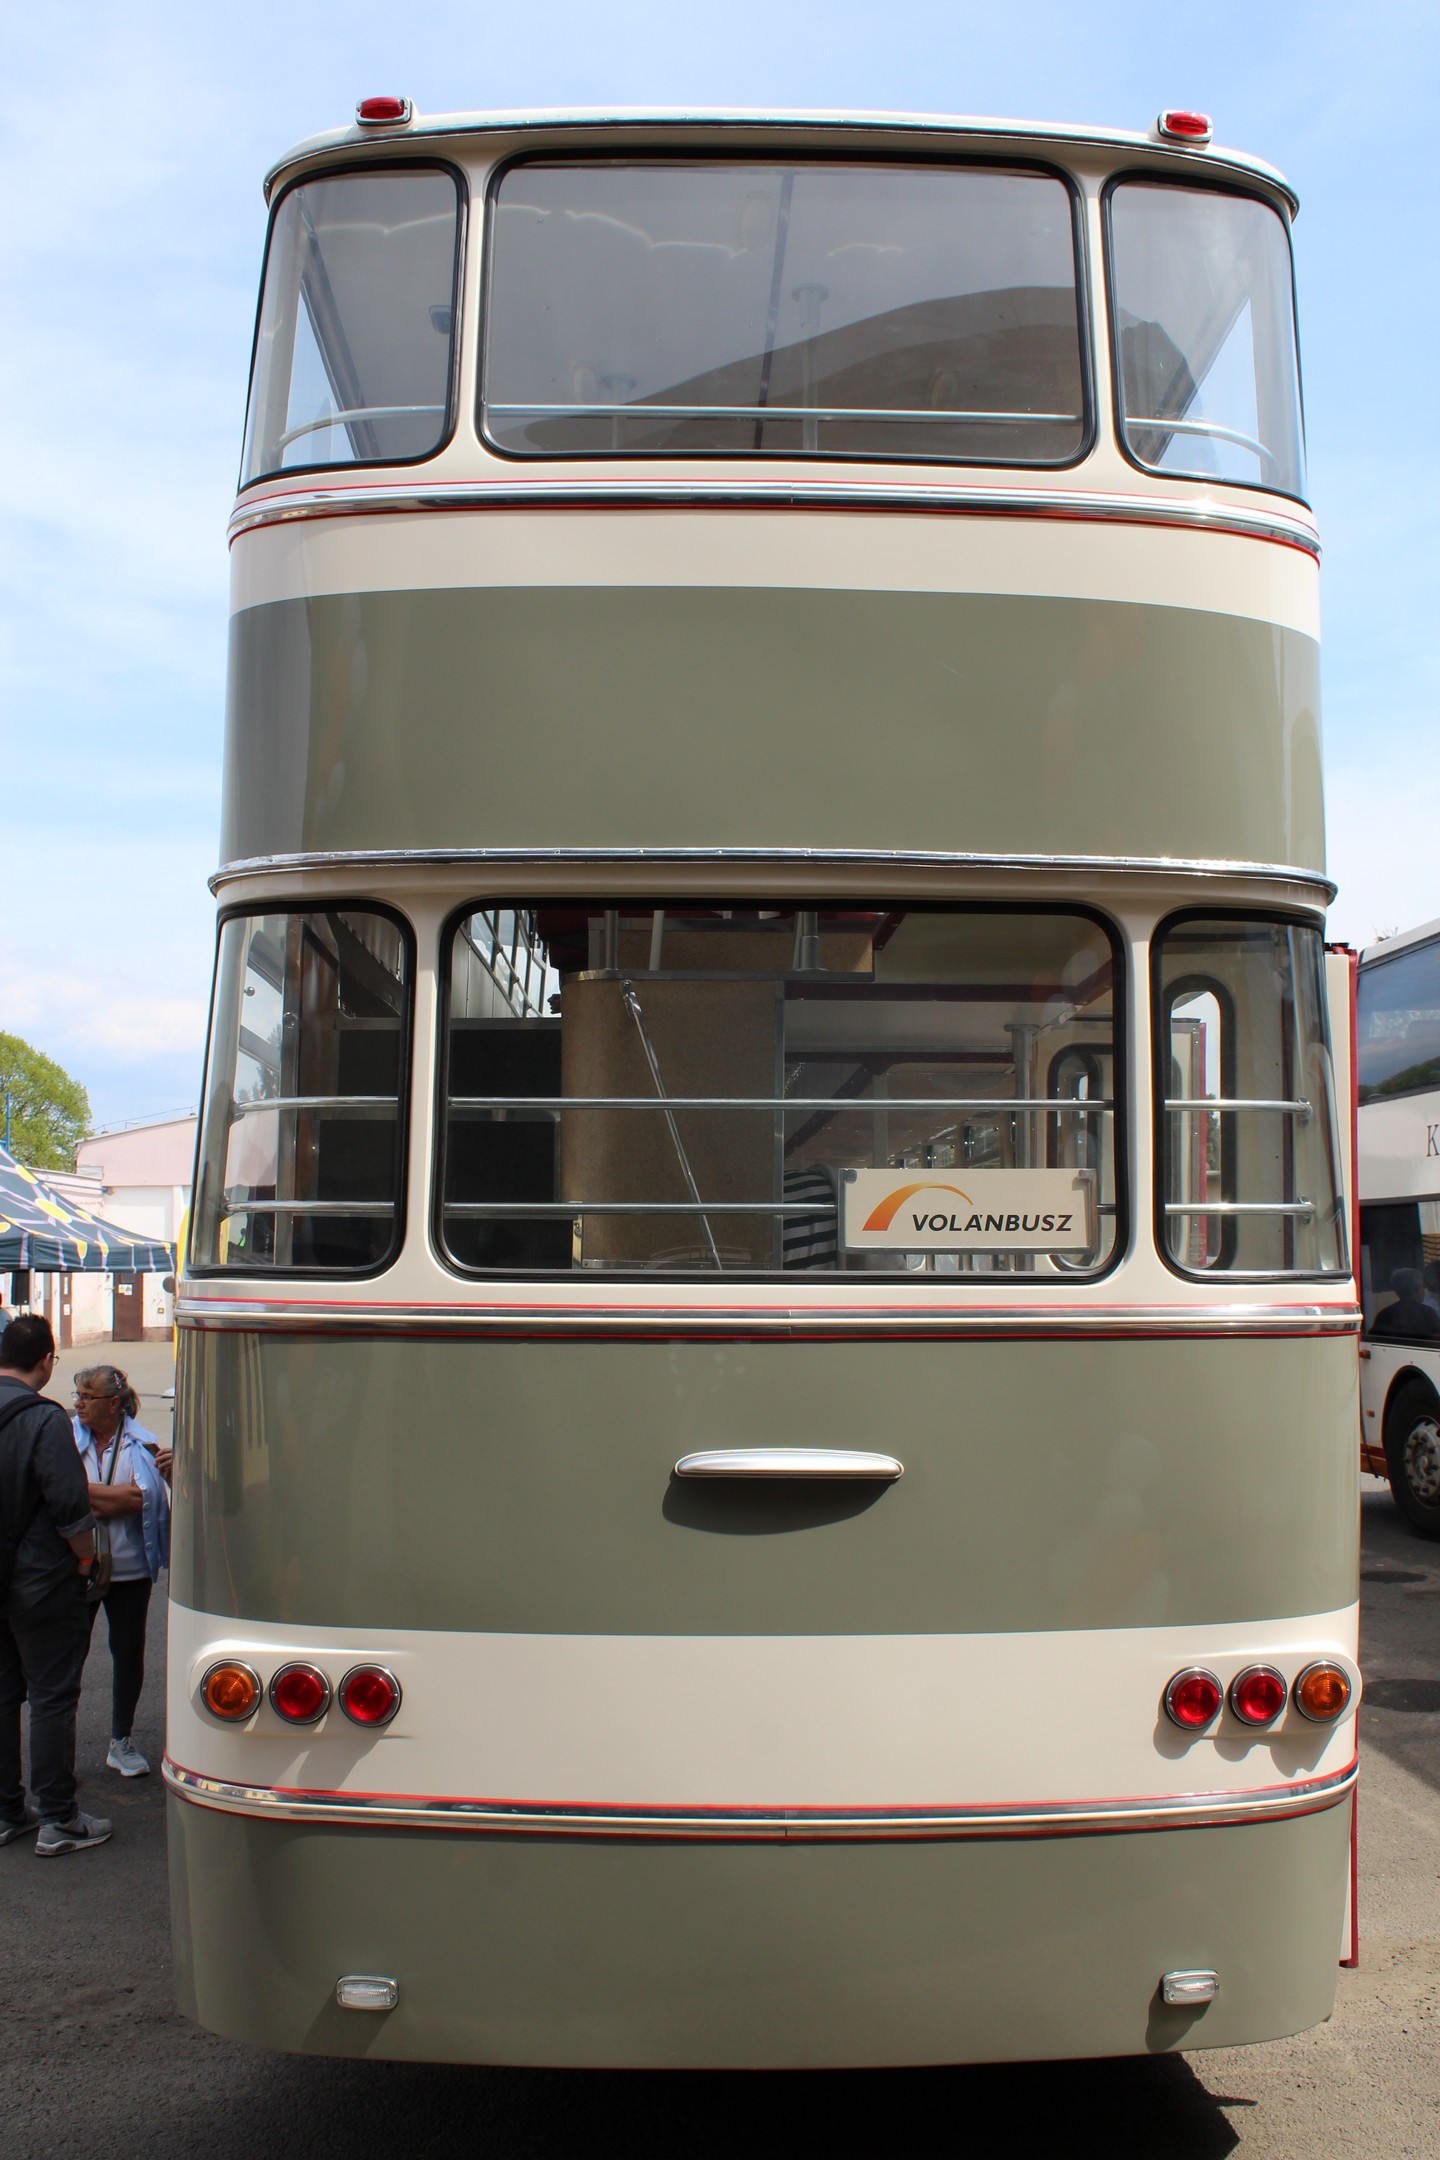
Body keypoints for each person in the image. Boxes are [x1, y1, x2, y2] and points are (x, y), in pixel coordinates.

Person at [0, 1314, 111, 1856]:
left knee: (3, 1694)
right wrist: (87, 1560)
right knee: (50, 1695)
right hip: (41, 1581)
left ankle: (6, 1810)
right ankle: (58, 1817)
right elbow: (70, 1506)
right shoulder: (45, 1419)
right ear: (46, 1361)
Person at [73, 1365, 169, 1779]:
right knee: (68, 1656)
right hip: (79, 1567)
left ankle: (121, 1741)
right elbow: (58, 1493)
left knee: (128, 1654)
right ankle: (59, 1744)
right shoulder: (67, 1439)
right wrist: (105, 1496)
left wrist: (83, 1494)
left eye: (87, 1397)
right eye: (78, 1395)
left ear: (113, 1404)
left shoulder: (143, 1444)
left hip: (130, 1571)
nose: (78, 1404)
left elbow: (139, 1499)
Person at [1371, 1268, 1440, 1341]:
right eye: (1422, 1286)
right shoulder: (1427, 1313)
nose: (1424, 1290)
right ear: (1415, 1290)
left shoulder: (1384, 1315)